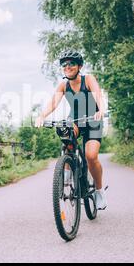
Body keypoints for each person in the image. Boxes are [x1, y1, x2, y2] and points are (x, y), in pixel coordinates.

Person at [35, 50, 107, 210]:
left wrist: (100, 110)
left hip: (92, 121)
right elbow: (53, 104)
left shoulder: (88, 79)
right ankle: (66, 173)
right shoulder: (63, 85)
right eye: (64, 64)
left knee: (91, 156)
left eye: (71, 64)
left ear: (79, 66)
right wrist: (42, 116)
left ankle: (99, 191)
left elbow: (98, 96)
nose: (67, 67)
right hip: (75, 121)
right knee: (66, 137)